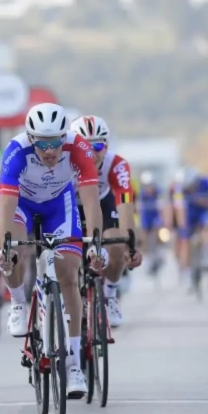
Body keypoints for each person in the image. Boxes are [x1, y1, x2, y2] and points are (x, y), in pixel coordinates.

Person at [0, 103, 106, 399]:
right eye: (42, 143)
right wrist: (6, 246)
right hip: (21, 205)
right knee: (15, 249)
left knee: (69, 274)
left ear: (64, 137)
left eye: (56, 141)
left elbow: (91, 202)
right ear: (31, 139)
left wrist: (95, 244)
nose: (50, 150)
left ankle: (73, 365)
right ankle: (18, 301)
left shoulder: (79, 147)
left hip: (60, 206)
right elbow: (5, 206)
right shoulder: (16, 151)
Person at [69, 116, 143, 327]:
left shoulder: (116, 164)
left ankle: (110, 294)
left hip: (103, 204)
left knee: (117, 243)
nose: (92, 153)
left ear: (107, 145)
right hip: (71, 206)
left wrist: (130, 246)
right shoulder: (62, 162)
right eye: (85, 147)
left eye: (98, 145)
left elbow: (125, 205)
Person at [172, 166, 208, 287]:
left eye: (191, 187)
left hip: (203, 212)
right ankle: (186, 270)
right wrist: (182, 225)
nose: (189, 189)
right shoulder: (179, 189)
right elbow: (179, 208)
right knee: (185, 239)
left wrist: (203, 202)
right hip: (188, 213)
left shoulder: (207, 183)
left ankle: (207, 251)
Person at [138, 170, 164, 275]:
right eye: (147, 186)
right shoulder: (141, 194)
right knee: (143, 236)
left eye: (151, 185)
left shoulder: (159, 192)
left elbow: (164, 206)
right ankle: (147, 258)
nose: (149, 188)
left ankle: (159, 251)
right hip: (145, 217)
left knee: (159, 231)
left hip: (156, 217)